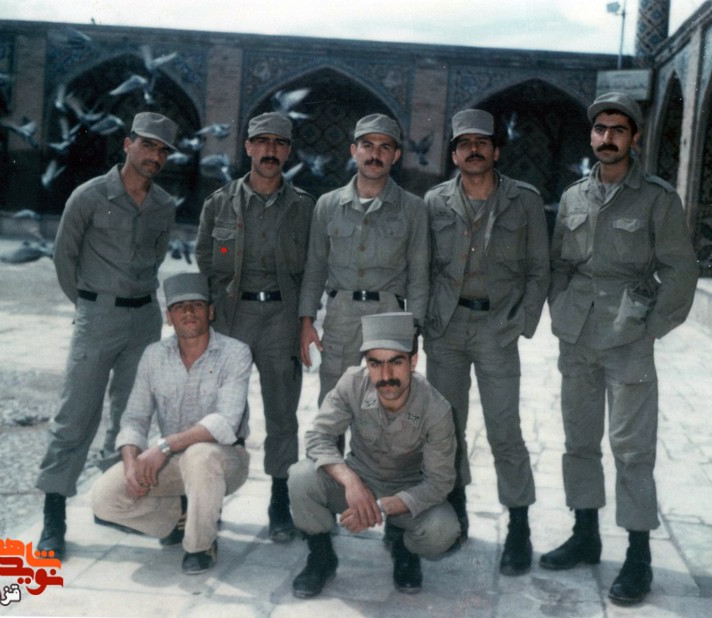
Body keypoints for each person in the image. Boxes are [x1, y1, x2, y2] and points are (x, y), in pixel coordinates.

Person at [541, 92, 698, 605]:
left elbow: (681, 268)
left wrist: (653, 327)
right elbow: (560, 262)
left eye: (618, 130)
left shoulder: (657, 198)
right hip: (578, 335)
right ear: (592, 135)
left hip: (629, 336)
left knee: (632, 449)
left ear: (634, 138)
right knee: (579, 440)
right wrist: (560, 305)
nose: (607, 138)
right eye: (600, 129)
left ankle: (638, 555)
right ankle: (585, 534)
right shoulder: (574, 196)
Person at [36, 112, 180, 559]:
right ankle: (54, 517)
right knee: (76, 413)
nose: (155, 156)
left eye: (163, 150)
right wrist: (90, 306)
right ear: (127, 144)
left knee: (130, 415)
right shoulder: (89, 196)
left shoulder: (163, 205)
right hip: (97, 317)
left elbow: (156, 258)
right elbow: (64, 258)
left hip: (144, 319)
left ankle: (111, 504)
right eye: (148, 145)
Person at [423, 109, 550, 576]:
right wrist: (424, 322)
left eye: (482, 142)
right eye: (464, 144)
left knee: (504, 430)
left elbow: (540, 269)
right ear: (454, 154)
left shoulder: (524, 201)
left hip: (498, 328)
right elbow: (423, 267)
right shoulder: (435, 201)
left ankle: (518, 526)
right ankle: (455, 511)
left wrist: (521, 322)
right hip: (447, 329)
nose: (473, 150)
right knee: (446, 427)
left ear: (497, 150)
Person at [195, 112, 314, 543]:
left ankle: (280, 504)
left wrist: (305, 321)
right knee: (225, 413)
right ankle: (212, 496)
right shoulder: (220, 203)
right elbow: (205, 262)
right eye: (262, 142)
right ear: (247, 147)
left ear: (288, 151)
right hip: (233, 318)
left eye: (278, 144)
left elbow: (313, 269)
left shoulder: (304, 207)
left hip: (281, 318)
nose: (270, 151)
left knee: (282, 414)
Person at [288, 312, 459, 598]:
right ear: (366, 363)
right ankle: (320, 556)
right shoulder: (352, 383)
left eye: (396, 362)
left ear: (413, 362)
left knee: (443, 529)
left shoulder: (436, 409)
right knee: (300, 477)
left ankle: (404, 550)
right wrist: (350, 481)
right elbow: (318, 436)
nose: (386, 375)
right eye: (375, 363)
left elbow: (440, 482)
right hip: (360, 478)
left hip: (408, 491)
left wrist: (380, 508)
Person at [91, 272, 252, 574]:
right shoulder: (154, 355)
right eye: (179, 307)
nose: (188, 312)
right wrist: (130, 462)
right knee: (104, 498)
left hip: (225, 459)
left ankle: (200, 544)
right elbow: (134, 417)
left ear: (210, 311)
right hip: (172, 460)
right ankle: (180, 516)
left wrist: (163, 446)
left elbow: (225, 422)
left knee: (200, 455)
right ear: (169, 317)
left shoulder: (235, 352)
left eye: (196, 305)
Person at [298, 113, 429, 407]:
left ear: (396, 155)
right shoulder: (328, 204)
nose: (375, 154)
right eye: (367, 145)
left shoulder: (413, 208)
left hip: (389, 315)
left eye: (385, 147)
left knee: (387, 400)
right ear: (353, 151)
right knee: (333, 399)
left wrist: (412, 332)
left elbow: (420, 277)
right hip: (340, 313)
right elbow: (315, 268)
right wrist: (306, 321)